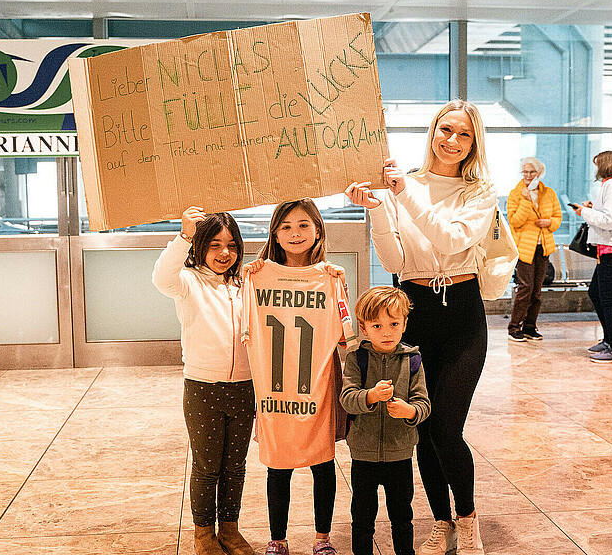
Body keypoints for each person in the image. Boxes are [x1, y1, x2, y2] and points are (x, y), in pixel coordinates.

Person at [345, 99, 496, 555]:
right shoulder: (398, 186)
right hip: (416, 312)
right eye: (445, 130)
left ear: (474, 144)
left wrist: (403, 192)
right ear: (432, 132)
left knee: (447, 427)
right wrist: (375, 204)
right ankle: (442, 522)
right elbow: (394, 261)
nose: (451, 141)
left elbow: (451, 239)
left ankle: (468, 519)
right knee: (423, 428)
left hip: (462, 312)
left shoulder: (479, 193)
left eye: (463, 135)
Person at [241, 198, 356, 555]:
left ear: (318, 230)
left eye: (303, 225)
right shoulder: (256, 276)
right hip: (276, 387)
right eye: (286, 226)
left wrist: (338, 287)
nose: (295, 233)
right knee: (278, 465)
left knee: (323, 463)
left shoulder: (331, 278)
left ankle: (322, 539)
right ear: (274, 233)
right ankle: (278, 540)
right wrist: (253, 275)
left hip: (318, 385)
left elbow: (345, 337)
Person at [151, 207, 254, 555]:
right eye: (214, 245)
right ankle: (203, 533)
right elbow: (161, 278)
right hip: (203, 387)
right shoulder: (188, 282)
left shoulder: (246, 284)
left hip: (244, 386)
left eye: (231, 245)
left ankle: (230, 528)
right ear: (199, 247)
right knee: (207, 466)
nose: (224, 253)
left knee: (235, 466)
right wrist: (183, 236)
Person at [340, 286, 431, 555]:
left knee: (402, 515)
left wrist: (410, 412)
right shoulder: (357, 358)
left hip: (400, 453)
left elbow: (424, 404)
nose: (387, 332)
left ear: (404, 323)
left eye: (393, 323)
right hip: (363, 453)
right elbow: (347, 398)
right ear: (364, 328)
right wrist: (370, 396)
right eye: (377, 325)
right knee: (362, 517)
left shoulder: (412, 359)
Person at [569, 150, 612, 363]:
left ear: (605, 165)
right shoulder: (611, 184)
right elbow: (609, 213)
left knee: (607, 298)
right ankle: (609, 340)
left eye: (598, 165)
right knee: (596, 293)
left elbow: (610, 220)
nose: (596, 169)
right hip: (608, 247)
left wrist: (584, 212)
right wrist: (592, 208)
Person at [506, 157, 561, 342]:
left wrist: (549, 222)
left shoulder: (549, 193)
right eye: (525, 172)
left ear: (539, 173)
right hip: (524, 248)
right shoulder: (516, 194)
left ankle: (530, 326)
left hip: (543, 247)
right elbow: (514, 221)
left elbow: (557, 218)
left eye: (531, 172)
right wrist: (525, 200)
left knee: (537, 290)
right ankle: (514, 326)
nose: (528, 175)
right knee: (525, 288)